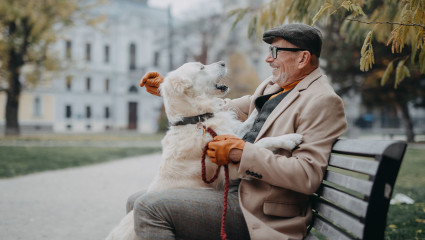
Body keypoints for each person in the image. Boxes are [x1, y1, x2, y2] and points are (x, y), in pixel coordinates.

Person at [128, 23, 347, 240]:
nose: (268, 59)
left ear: (302, 58)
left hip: (258, 212)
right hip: (233, 192)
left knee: (150, 207)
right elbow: (221, 107)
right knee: (136, 200)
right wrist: (174, 88)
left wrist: (242, 153)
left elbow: (307, 176)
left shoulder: (322, 101)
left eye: (275, 52)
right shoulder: (273, 86)